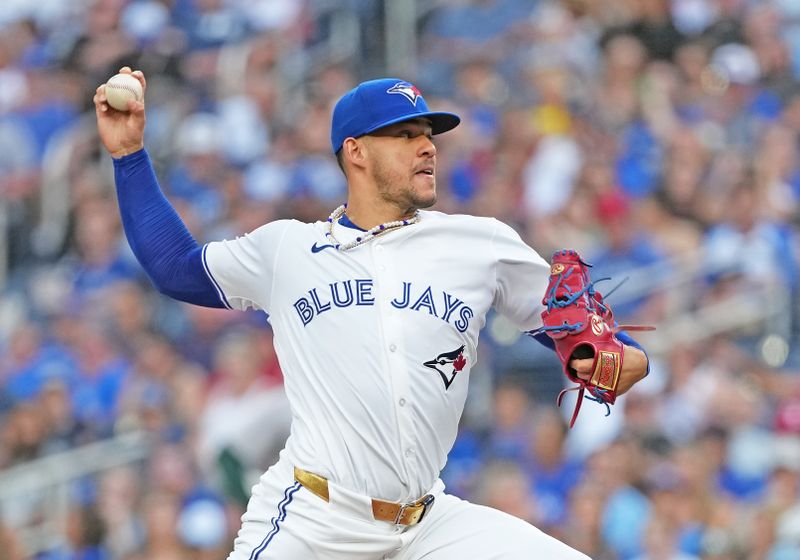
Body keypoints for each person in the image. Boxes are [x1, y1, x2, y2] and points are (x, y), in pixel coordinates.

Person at [94, 67, 650, 560]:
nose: (427, 147)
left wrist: (626, 359)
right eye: (405, 135)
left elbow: (578, 335)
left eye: (428, 136)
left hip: (427, 522)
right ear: (355, 151)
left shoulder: (479, 244)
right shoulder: (288, 250)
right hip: (316, 517)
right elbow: (175, 267)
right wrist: (128, 157)